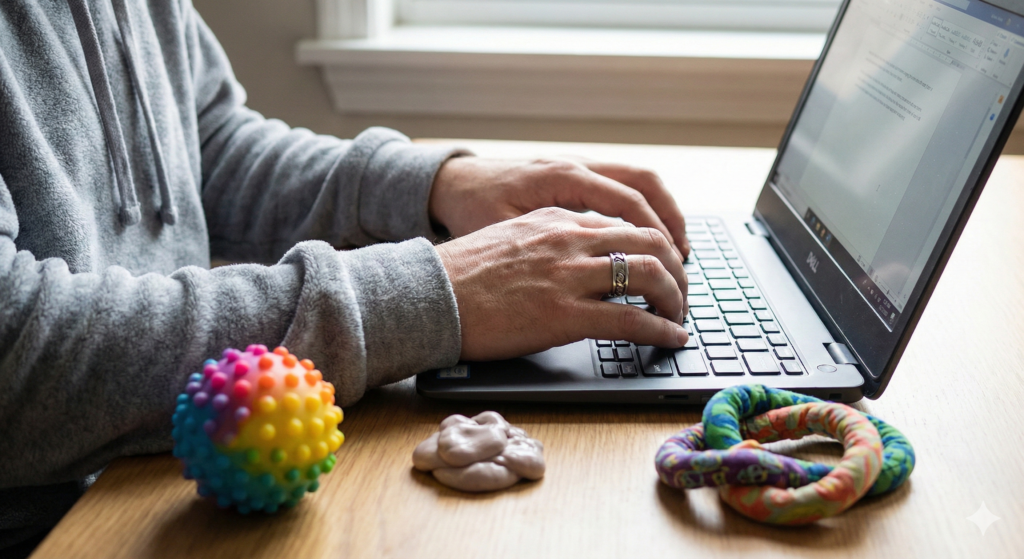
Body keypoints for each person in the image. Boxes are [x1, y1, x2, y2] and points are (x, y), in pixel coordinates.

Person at [0, 0, 689, 554]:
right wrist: (433, 292)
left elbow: (206, 143)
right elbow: (14, 350)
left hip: (146, 470)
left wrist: (435, 186)